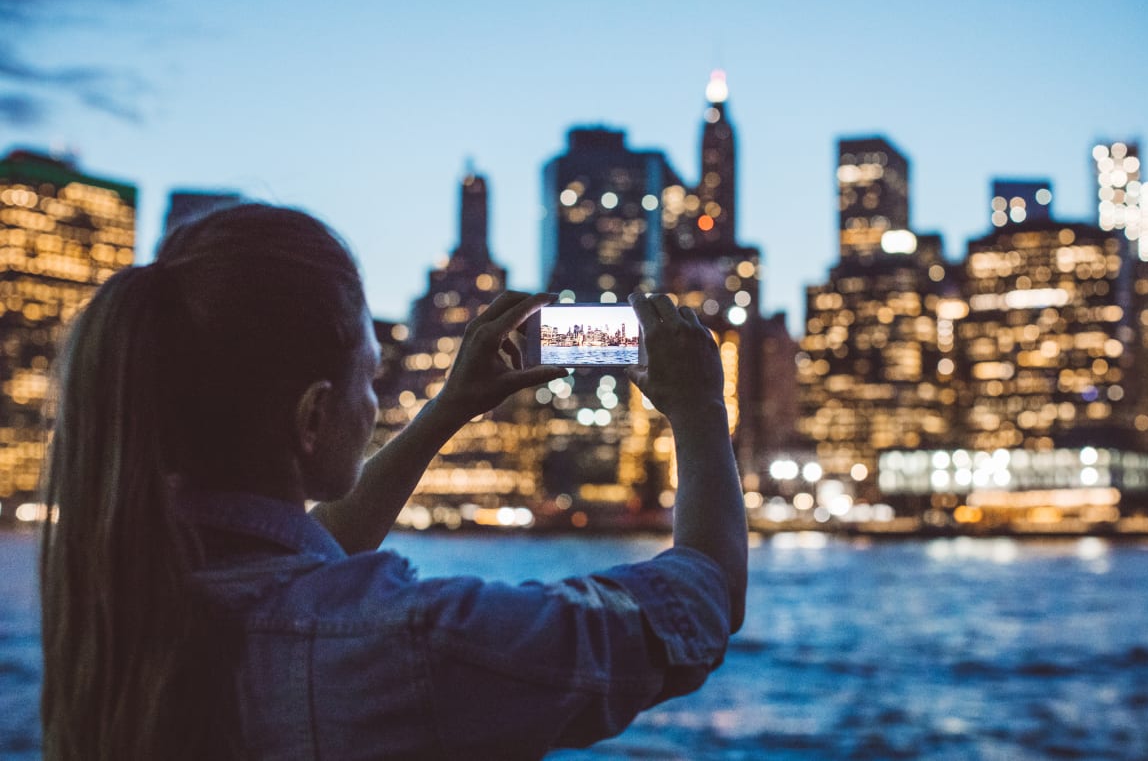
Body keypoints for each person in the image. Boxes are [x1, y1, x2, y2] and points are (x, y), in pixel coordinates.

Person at [40, 204, 747, 760]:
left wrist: (448, 409)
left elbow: (306, 558)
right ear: (313, 415)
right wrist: (700, 411)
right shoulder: (407, 645)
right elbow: (703, 598)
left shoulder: (124, 594)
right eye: (370, 376)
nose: (376, 402)